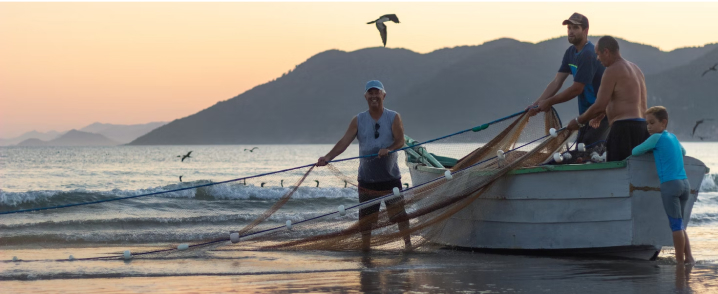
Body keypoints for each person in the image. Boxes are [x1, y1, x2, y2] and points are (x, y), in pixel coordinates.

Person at [317, 80, 411, 251]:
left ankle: (408, 246)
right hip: (367, 179)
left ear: (384, 95)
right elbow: (344, 142)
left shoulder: (393, 116)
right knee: (366, 220)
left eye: (377, 93)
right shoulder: (358, 120)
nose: (374, 96)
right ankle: (366, 251)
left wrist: (388, 149)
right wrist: (328, 157)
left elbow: (400, 141)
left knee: (400, 216)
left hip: (390, 178)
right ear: (365, 96)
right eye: (370, 93)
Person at [528, 12, 609, 146]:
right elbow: (557, 82)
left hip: (601, 114)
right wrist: (536, 104)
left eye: (575, 28)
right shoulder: (570, 52)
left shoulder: (589, 54)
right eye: (569, 28)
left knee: (589, 153)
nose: (571, 31)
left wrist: (549, 102)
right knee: (581, 152)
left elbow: (577, 89)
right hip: (585, 115)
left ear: (585, 30)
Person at [567, 36, 649, 161]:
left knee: (616, 173)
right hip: (643, 128)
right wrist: (603, 112)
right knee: (637, 170)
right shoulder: (636, 69)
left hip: (623, 129)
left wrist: (579, 121)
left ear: (606, 51)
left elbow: (599, 104)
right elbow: (626, 99)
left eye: (598, 54)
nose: (598, 59)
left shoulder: (611, 70)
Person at [631, 106, 695, 265]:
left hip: (670, 185)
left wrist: (652, 149)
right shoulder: (673, 137)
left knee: (675, 225)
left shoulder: (655, 138)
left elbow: (635, 151)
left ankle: (680, 262)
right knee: (680, 223)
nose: (649, 127)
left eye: (652, 123)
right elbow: (684, 151)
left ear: (663, 122)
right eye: (647, 124)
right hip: (685, 184)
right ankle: (689, 258)